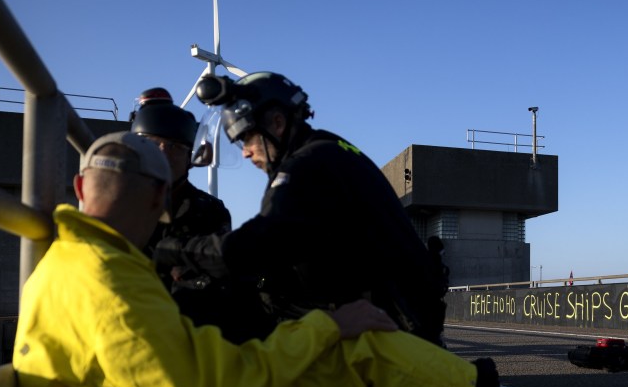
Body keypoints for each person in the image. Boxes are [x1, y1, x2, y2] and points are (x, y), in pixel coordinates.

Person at [13, 132, 613, 387]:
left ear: (78, 189)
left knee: (349, 347)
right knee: (358, 348)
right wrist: (323, 326)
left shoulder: (80, 265)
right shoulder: (104, 279)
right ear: (159, 197)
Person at [154, 72, 448, 347]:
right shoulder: (331, 149)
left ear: (278, 124)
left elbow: (255, 246)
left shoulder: (305, 167)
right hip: (403, 312)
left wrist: (172, 250)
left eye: (246, 138)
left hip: (389, 324)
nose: (244, 152)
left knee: (216, 311)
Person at [130, 87, 273, 343]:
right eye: (153, 144)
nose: (163, 153)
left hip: (191, 331)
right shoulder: (120, 201)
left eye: (174, 146)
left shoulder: (209, 210)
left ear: (190, 155)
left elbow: (217, 276)